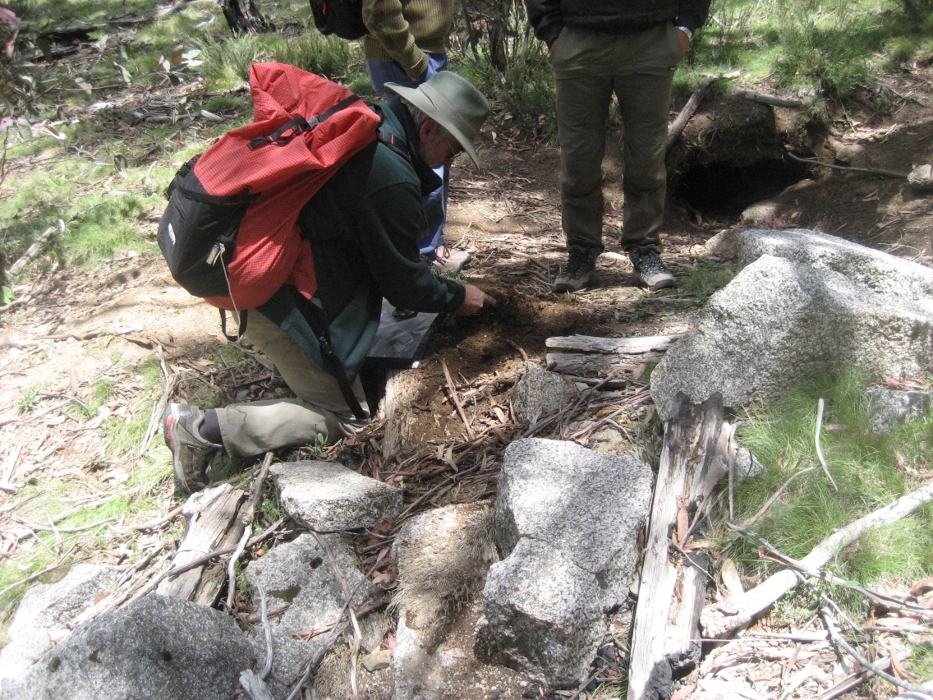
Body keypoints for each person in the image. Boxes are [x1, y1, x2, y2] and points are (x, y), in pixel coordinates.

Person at [163, 72, 496, 494]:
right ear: (428, 128)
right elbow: (408, 287)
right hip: (277, 297)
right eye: (453, 150)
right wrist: (457, 295)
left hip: (272, 270)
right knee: (346, 417)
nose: (451, 163)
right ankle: (201, 428)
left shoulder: (371, 125)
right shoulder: (390, 175)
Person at [525, 0, 711, 292]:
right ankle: (581, 252)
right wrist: (552, 33)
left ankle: (645, 250)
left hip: (651, 40)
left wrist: (685, 27)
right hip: (578, 41)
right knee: (578, 158)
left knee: (647, 156)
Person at [361, 0, 471, 274]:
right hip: (406, 56)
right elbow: (379, 9)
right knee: (424, 155)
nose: (452, 163)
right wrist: (415, 60)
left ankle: (421, 250)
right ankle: (415, 256)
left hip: (419, 53)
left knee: (423, 152)